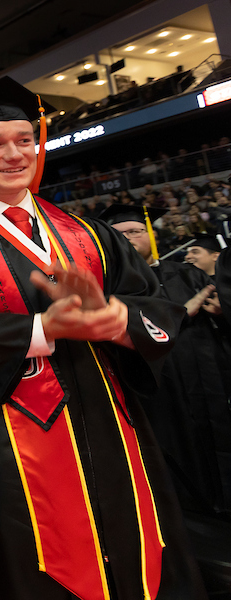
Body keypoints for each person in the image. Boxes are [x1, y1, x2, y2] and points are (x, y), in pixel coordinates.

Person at [0, 77, 204, 600]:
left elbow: (154, 303)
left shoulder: (87, 232)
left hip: (111, 422)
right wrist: (43, 329)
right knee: (32, 566)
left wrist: (116, 320)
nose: (16, 154)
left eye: (25, 139)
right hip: (6, 435)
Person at [101, 206, 231, 516]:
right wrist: (182, 313)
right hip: (159, 394)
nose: (129, 239)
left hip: (211, 381)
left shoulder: (189, 273)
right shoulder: (110, 289)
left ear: (151, 234)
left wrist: (222, 310)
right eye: (120, 234)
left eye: (136, 231)